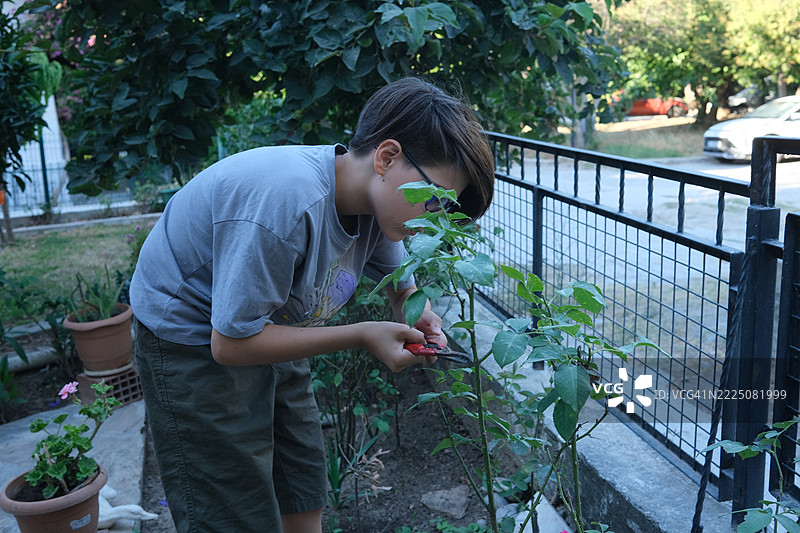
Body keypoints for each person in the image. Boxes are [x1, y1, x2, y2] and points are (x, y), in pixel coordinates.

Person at [129, 76, 495, 533]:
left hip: (270, 324)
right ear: (387, 157)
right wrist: (364, 334)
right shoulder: (286, 204)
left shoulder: (376, 205)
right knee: (231, 506)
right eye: (434, 200)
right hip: (193, 342)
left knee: (301, 481)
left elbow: (396, 280)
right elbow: (229, 344)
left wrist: (410, 306)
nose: (438, 220)